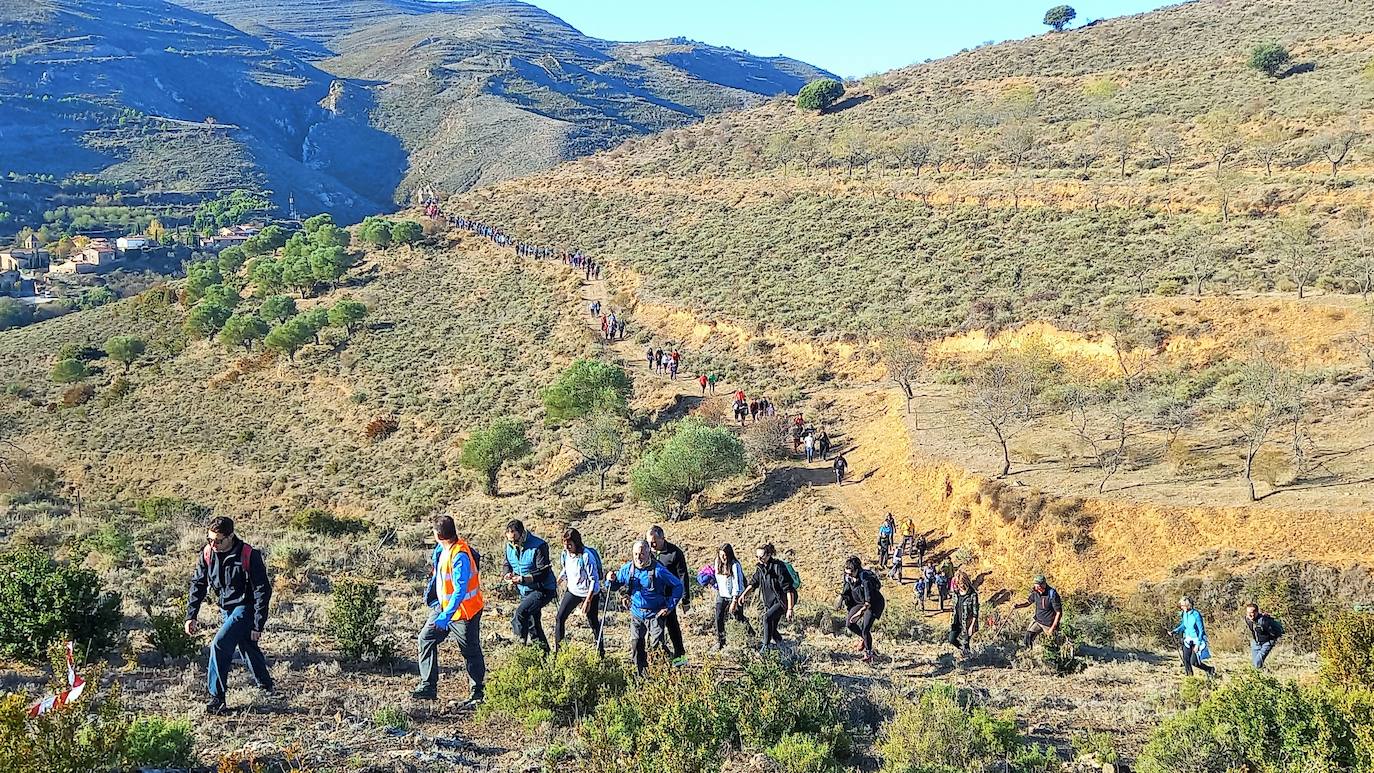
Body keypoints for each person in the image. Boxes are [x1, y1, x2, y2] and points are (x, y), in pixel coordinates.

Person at [184, 516, 274, 715]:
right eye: (210, 540)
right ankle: (266, 685)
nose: (213, 544)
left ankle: (217, 698)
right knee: (246, 645)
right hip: (227, 608)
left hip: (246, 607)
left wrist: (258, 623)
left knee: (220, 644)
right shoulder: (208, 553)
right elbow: (198, 584)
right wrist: (191, 615)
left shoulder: (249, 554)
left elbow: (262, 590)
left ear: (231, 537)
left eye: (218, 541)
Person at [415, 515, 485, 709]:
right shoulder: (443, 549)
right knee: (425, 639)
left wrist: (446, 616)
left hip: (464, 612)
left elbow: (460, 590)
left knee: (470, 652)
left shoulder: (460, 554)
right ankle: (428, 686)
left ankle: (477, 691)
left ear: (438, 534)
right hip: (443, 608)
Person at [607, 540, 684, 676]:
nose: (638, 557)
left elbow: (678, 586)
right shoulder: (627, 569)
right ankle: (641, 675)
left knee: (657, 646)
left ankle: (664, 671)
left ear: (649, 553)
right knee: (636, 645)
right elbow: (613, 586)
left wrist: (670, 606)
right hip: (636, 613)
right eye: (636, 553)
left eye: (642, 553)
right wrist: (610, 579)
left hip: (656, 614)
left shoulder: (658, 570)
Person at [502, 520, 557, 652]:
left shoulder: (539, 546)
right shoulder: (509, 546)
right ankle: (545, 657)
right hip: (525, 590)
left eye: (515, 539)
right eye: (510, 540)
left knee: (521, 614)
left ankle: (520, 648)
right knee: (533, 624)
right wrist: (507, 574)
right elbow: (506, 564)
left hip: (542, 588)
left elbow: (542, 572)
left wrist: (522, 579)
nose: (513, 543)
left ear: (522, 534)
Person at [735, 543, 796, 653]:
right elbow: (753, 583)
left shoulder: (778, 567)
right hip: (771, 601)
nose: (759, 559)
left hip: (783, 600)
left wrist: (790, 609)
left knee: (767, 618)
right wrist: (744, 595)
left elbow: (789, 589)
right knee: (771, 628)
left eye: (761, 556)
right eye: (757, 557)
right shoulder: (760, 568)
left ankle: (765, 648)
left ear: (768, 555)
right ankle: (784, 649)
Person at [554, 528, 604, 656]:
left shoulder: (586, 556)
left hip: (590, 592)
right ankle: (560, 652)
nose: (567, 548)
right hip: (573, 591)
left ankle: (600, 652)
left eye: (570, 545)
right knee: (560, 618)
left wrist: (587, 601)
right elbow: (566, 569)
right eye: (565, 545)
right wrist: (557, 582)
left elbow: (594, 580)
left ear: (577, 543)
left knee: (592, 621)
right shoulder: (565, 554)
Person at [647, 526, 691, 665]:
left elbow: (683, 576)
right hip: (651, 597)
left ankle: (680, 657)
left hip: (668, 598)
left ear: (662, 538)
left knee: (672, 627)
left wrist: (685, 599)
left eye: (654, 542)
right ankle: (658, 657)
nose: (651, 545)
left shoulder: (674, 553)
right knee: (652, 629)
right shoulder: (647, 552)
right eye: (649, 541)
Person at [838, 556, 884, 663]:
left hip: (873, 604)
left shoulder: (865, 579)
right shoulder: (848, 576)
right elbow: (846, 589)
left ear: (857, 570)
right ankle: (864, 638)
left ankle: (869, 654)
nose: (848, 575)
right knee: (849, 624)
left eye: (850, 573)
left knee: (865, 629)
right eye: (846, 573)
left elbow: (868, 602)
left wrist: (858, 614)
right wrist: (841, 600)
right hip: (860, 602)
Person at [712, 544, 754, 649]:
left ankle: (752, 636)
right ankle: (721, 642)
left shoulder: (735, 565)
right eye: (721, 555)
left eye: (725, 555)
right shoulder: (717, 563)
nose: (723, 558)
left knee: (738, 617)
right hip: (722, 594)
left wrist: (734, 601)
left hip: (734, 596)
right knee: (719, 617)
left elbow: (737, 583)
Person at [1173, 596, 1216, 678]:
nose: (1181, 607)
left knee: (1194, 662)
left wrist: (1198, 644)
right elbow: (1184, 625)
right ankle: (1190, 678)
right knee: (1186, 660)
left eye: (1182, 605)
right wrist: (1175, 631)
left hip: (1197, 640)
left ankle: (1210, 669)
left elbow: (1201, 630)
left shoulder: (1196, 615)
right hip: (1188, 640)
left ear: (1187, 605)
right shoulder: (1184, 614)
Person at [1014, 575, 1062, 647]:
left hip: (1048, 624)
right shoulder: (1035, 592)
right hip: (1038, 621)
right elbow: (1028, 602)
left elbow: (1058, 612)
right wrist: (1018, 606)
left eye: (1038, 586)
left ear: (1043, 584)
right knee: (1028, 637)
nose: (1036, 588)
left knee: (1053, 645)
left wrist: (1053, 627)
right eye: (1035, 586)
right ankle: (1028, 653)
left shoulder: (1052, 594)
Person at [1244, 602, 1283, 669]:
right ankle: (1261, 676)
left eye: (1252, 612)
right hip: (1256, 643)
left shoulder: (1263, 621)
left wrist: (1272, 641)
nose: (1250, 614)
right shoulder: (1247, 619)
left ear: (1256, 612)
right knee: (1255, 665)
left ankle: (1266, 675)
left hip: (1267, 643)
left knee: (1257, 663)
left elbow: (1273, 632)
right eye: (1248, 612)